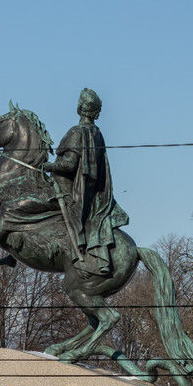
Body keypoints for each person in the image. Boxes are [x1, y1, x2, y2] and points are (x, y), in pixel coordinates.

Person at [44, 87, 128, 276]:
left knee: (35, 208)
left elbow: (69, 165)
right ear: (96, 112)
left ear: (79, 108)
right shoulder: (97, 133)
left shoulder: (77, 132)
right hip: (91, 192)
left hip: (72, 190)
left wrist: (47, 165)